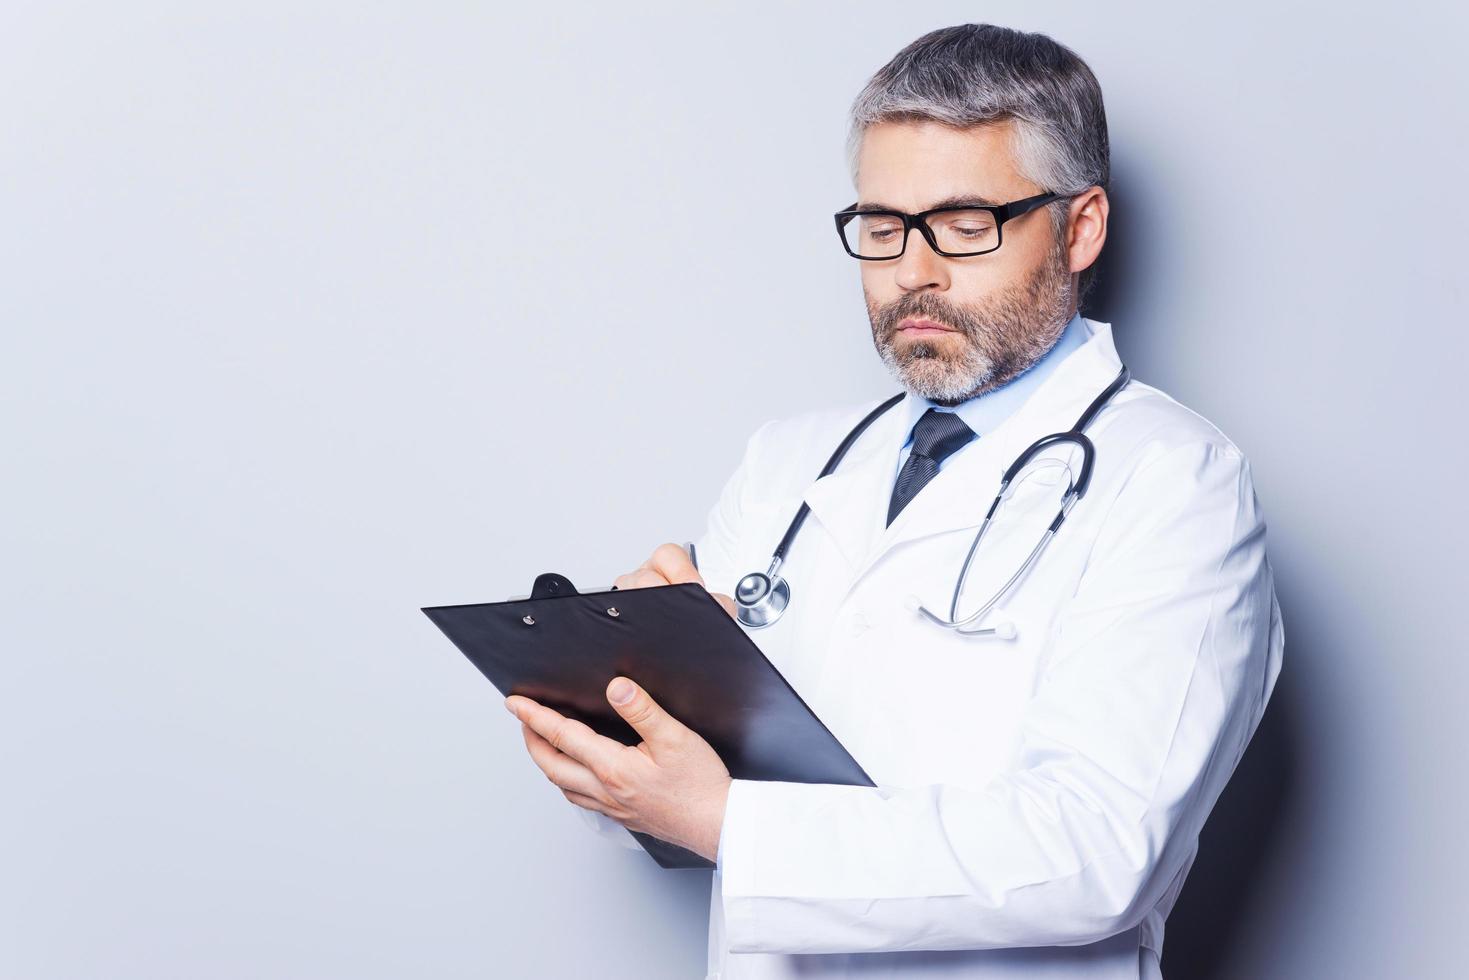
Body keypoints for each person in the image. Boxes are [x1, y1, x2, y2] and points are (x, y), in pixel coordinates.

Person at [503, 22, 1284, 979]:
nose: (912, 271)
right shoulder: (788, 463)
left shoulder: (1174, 482)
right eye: (881, 227)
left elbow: (1099, 851)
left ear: (1079, 228)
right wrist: (640, 721)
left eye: (963, 224)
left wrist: (723, 815)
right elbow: (689, 825)